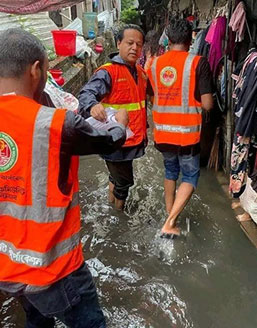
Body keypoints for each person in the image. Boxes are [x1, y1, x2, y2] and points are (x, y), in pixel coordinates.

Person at [0, 28, 129, 328]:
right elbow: (108, 141)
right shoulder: (57, 124)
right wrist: (120, 123)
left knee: (37, 319)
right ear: (36, 70)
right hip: (52, 268)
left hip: (8, 264)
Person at [147, 19, 214, 238]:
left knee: (170, 171)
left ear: (168, 38)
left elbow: (150, 97)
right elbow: (207, 104)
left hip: (163, 132)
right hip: (186, 134)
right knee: (190, 176)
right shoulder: (198, 63)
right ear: (191, 38)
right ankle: (170, 222)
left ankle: (169, 213)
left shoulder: (154, 64)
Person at [79, 24, 147, 211]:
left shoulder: (141, 73)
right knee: (124, 182)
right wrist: (93, 105)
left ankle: (111, 203)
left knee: (116, 177)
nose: (135, 48)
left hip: (131, 138)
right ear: (118, 43)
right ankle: (119, 215)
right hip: (115, 140)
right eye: (130, 43)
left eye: (139, 45)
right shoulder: (107, 72)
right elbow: (86, 94)